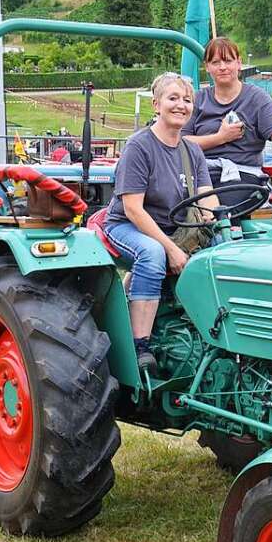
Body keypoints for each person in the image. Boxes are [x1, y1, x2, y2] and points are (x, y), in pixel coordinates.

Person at [104, 72, 219, 370]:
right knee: (152, 253)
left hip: (174, 228)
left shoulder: (191, 150)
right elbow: (133, 209)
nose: (181, 105)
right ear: (156, 105)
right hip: (127, 226)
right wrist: (170, 249)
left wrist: (217, 222)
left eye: (187, 100)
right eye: (173, 98)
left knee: (224, 249)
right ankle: (139, 344)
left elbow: (207, 196)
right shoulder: (139, 146)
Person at [182, 37, 272, 210]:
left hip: (241, 175)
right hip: (200, 173)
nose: (222, 67)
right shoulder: (198, 100)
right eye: (215, 62)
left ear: (238, 63)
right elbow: (181, 142)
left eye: (228, 61)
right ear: (207, 67)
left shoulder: (257, 99)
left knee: (221, 208)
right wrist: (220, 138)